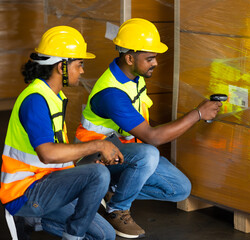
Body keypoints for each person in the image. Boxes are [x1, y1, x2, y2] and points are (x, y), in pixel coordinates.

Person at [75, 18, 222, 239]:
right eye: (150, 59)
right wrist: (198, 114)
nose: (155, 63)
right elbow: (152, 137)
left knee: (179, 189)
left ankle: (109, 189)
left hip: (124, 152)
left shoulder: (134, 76)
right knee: (150, 153)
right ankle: (116, 209)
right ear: (129, 57)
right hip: (96, 156)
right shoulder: (112, 94)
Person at [0, 26, 123, 240]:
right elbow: (48, 153)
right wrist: (98, 145)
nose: (82, 70)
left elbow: (59, 155)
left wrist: (82, 172)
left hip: (49, 183)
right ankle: (66, 234)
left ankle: (38, 221)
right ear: (61, 67)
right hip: (25, 192)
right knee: (99, 175)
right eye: (79, 64)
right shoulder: (36, 100)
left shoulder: (54, 97)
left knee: (105, 235)